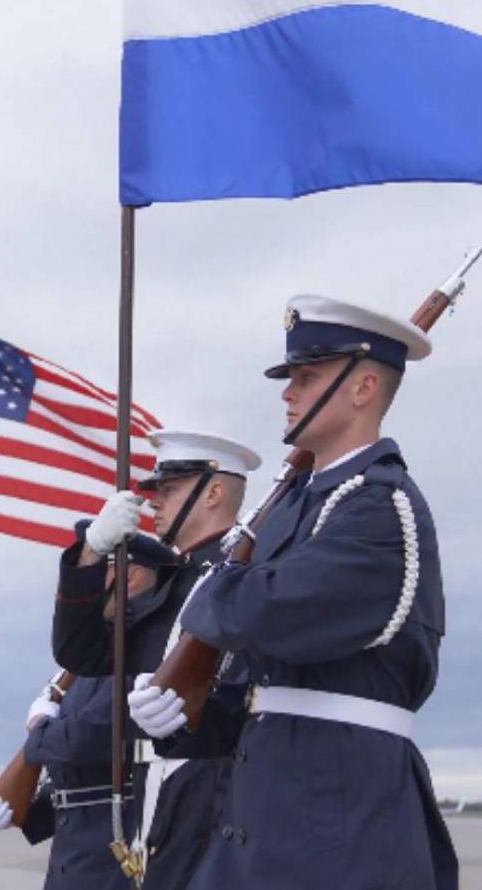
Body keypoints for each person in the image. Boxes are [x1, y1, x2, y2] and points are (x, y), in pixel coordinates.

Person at [128, 296, 457, 890]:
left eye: (307, 377)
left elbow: (268, 611)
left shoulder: (381, 505)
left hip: (340, 818)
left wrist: (214, 585)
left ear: (363, 388)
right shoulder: (294, 510)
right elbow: (263, 685)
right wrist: (182, 718)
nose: (288, 392)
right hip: (260, 820)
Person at [50, 432, 260, 888]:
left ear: (214, 492)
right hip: (154, 793)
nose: (153, 502)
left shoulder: (245, 576)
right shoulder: (172, 584)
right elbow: (80, 652)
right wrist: (92, 552)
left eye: (169, 489)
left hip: (212, 789)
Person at [0, 529, 176, 890]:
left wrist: (39, 730)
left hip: (113, 850)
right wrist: (33, 810)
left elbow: (92, 736)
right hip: (78, 848)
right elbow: (81, 770)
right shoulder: (95, 650)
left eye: (99, 568)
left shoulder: (147, 642)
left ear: (130, 575)